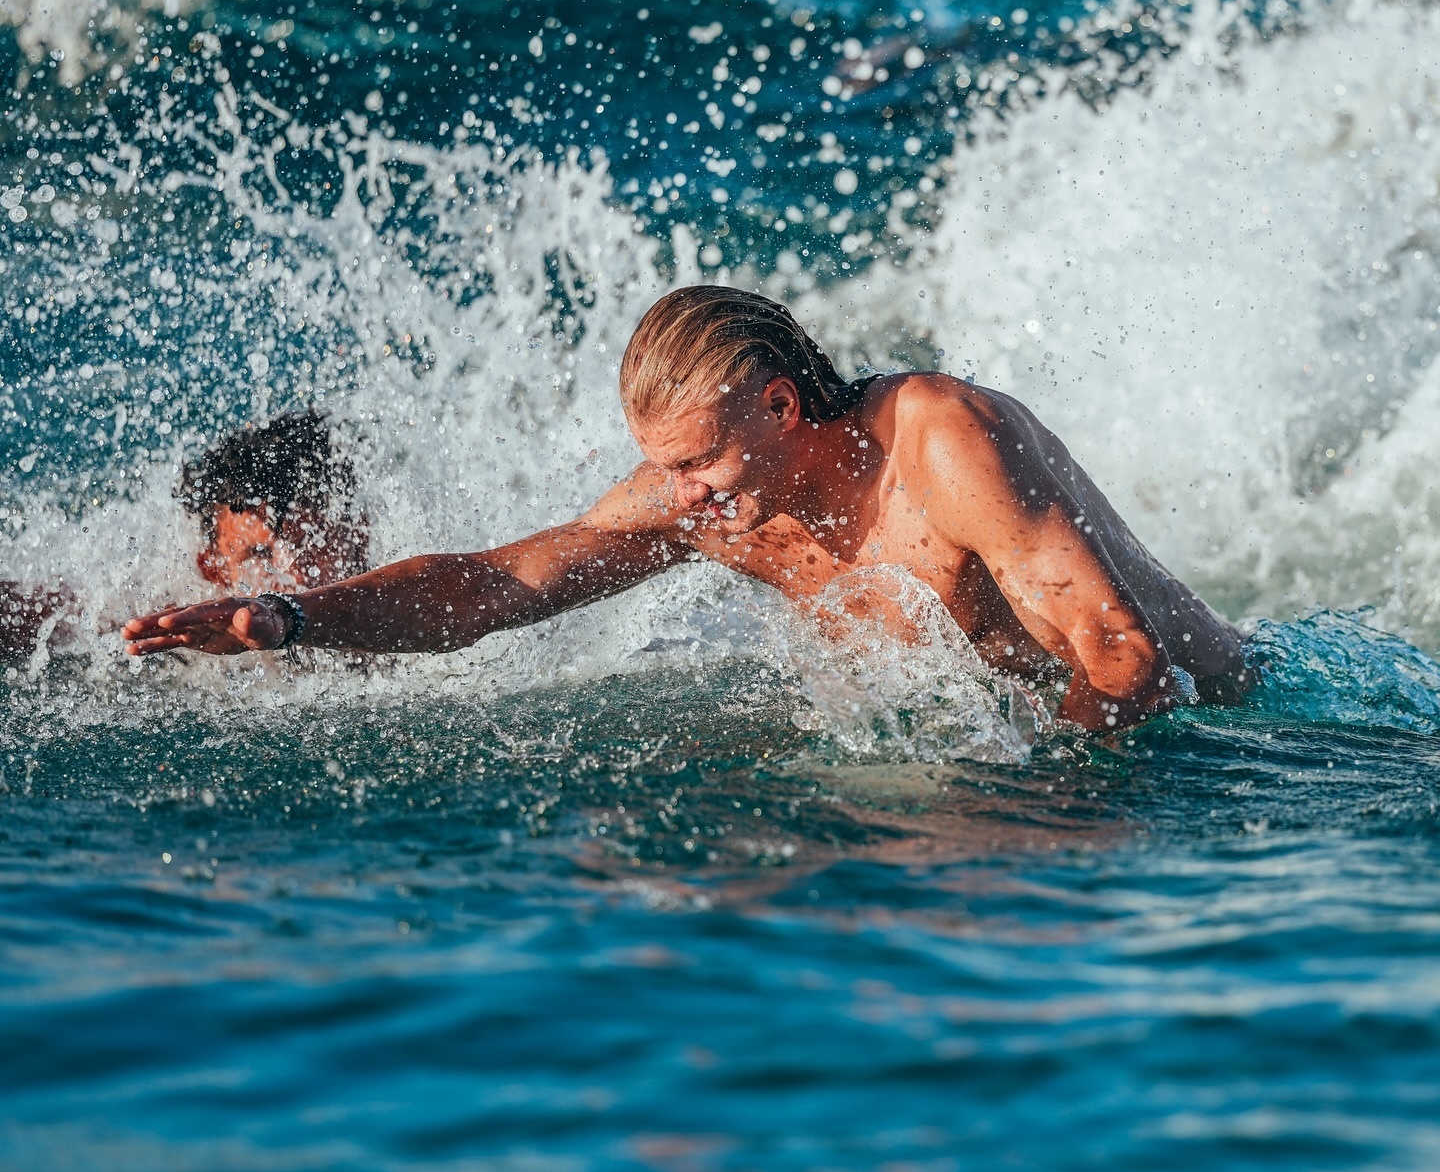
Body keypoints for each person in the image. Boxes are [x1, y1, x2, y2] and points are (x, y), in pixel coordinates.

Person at [122, 288, 1254, 732]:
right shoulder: (707, 504)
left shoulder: (941, 440)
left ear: (781, 406)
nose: (682, 496)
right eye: (663, 468)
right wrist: (297, 618)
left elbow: (1125, 659)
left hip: (1229, 729)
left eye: (698, 461)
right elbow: (496, 586)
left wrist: (1025, 822)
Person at [2, 409, 367, 659]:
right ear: (215, 570)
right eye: (260, 556)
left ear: (358, 539)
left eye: (313, 544)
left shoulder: (395, 614)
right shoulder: (186, 621)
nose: (297, 576)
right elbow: (57, 613)